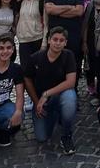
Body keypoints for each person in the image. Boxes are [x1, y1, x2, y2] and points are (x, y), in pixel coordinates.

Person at [23, 27, 78, 155]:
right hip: (42, 102)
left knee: (70, 99)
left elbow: (71, 82)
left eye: (61, 40)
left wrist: (46, 94)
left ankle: (66, 135)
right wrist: (36, 101)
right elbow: (27, 78)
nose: (58, 43)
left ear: (65, 43)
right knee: (42, 137)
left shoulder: (68, 55)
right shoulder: (36, 57)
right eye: (55, 39)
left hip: (60, 95)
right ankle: (55, 116)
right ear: (48, 40)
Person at [44, 0, 85, 84]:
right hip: (54, 36)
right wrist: (69, 7)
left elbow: (79, 11)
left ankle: (73, 88)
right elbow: (50, 10)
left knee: (74, 63)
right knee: (54, 63)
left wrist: (58, 10)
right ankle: (54, 89)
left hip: (73, 36)